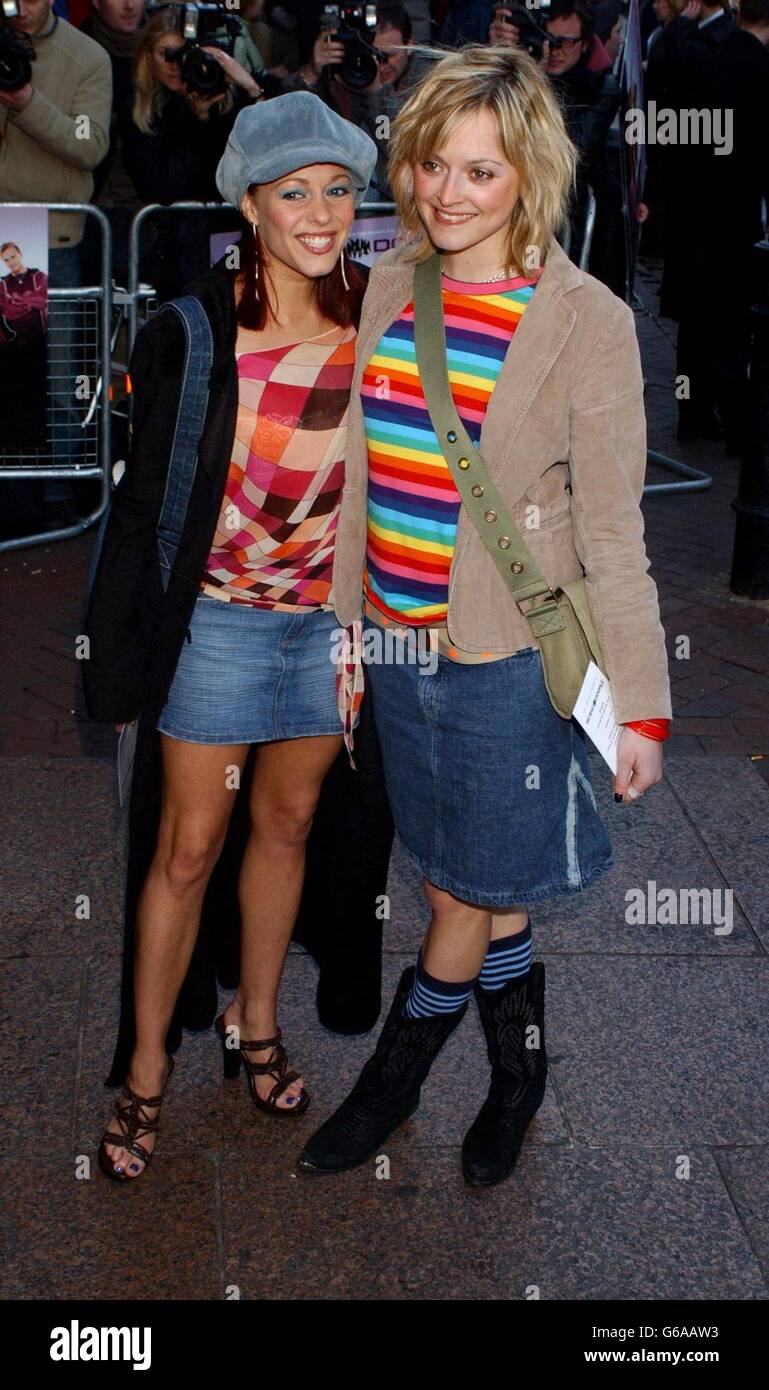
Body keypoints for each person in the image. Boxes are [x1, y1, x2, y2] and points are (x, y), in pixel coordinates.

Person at [297, 43, 672, 1186]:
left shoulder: (586, 322)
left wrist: (644, 711)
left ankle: (389, 1087)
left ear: (530, 177)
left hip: (504, 661)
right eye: (427, 167)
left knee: (461, 891)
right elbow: (364, 471)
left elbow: (614, 533)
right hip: (397, 649)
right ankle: (520, 1073)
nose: (443, 195)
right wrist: (348, 631)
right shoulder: (392, 285)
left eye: (478, 173)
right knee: (475, 880)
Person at [83, 92, 392, 1181]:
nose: (320, 212)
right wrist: (111, 655)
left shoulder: (383, 320)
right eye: (294, 190)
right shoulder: (194, 330)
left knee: (291, 827)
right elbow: (143, 506)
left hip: (326, 631)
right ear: (249, 204)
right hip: (216, 628)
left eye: (339, 188)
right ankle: (146, 1069)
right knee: (186, 850)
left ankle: (256, 1026)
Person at [123, 9, 263, 299]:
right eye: (167, 55)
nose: (178, 65)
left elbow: (263, 157)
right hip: (175, 253)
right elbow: (162, 186)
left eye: (186, 54)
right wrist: (196, 120)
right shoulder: (140, 112)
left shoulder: (223, 101)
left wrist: (250, 88)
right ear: (148, 57)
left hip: (231, 245)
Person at [79, 0, 146, 286]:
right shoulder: (76, 50)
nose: (130, 5)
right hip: (89, 207)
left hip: (148, 209)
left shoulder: (164, 52)